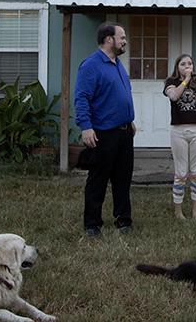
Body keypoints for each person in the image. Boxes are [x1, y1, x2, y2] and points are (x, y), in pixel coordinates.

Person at [74, 21, 137, 238]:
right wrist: (86, 127)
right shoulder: (91, 65)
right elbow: (82, 97)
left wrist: (130, 120)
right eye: (122, 37)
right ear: (109, 39)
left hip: (125, 131)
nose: (125, 41)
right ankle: (92, 224)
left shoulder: (117, 63)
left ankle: (123, 219)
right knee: (98, 179)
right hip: (103, 132)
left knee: (123, 178)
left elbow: (120, 94)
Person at [163, 53, 196, 220]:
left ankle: (195, 211)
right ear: (177, 67)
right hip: (178, 131)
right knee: (181, 173)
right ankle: (178, 212)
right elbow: (174, 96)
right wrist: (185, 79)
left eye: (190, 64)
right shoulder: (170, 82)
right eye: (183, 64)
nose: (187, 66)